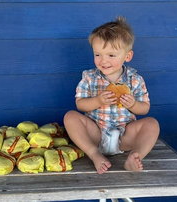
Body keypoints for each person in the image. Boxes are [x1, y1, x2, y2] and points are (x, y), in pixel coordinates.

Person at [63, 17, 160, 174]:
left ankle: (135, 157)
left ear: (127, 56)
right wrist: (97, 100)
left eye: (111, 55)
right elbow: (80, 104)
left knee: (152, 124)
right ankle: (94, 154)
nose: (103, 61)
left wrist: (133, 105)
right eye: (98, 55)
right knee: (70, 117)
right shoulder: (89, 77)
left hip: (125, 135)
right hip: (96, 133)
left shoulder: (135, 79)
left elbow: (145, 109)